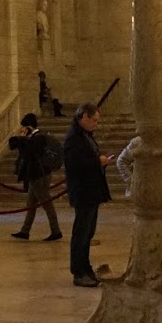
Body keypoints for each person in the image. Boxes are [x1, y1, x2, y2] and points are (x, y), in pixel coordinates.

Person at [63, 102, 111, 287]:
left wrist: (100, 162)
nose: (96, 124)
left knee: (88, 233)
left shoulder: (85, 135)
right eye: (94, 121)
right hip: (83, 191)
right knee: (81, 234)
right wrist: (98, 161)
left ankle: (86, 267)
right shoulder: (73, 138)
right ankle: (78, 272)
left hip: (91, 190)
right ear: (84, 117)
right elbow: (75, 165)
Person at [9, 112, 62, 241]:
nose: (22, 130)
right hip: (35, 176)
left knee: (47, 204)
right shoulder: (32, 139)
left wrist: (23, 139)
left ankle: (56, 231)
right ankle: (25, 231)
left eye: (24, 127)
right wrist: (21, 140)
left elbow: (30, 153)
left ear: (29, 127)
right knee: (31, 205)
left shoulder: (39, 138)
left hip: (40, 176)